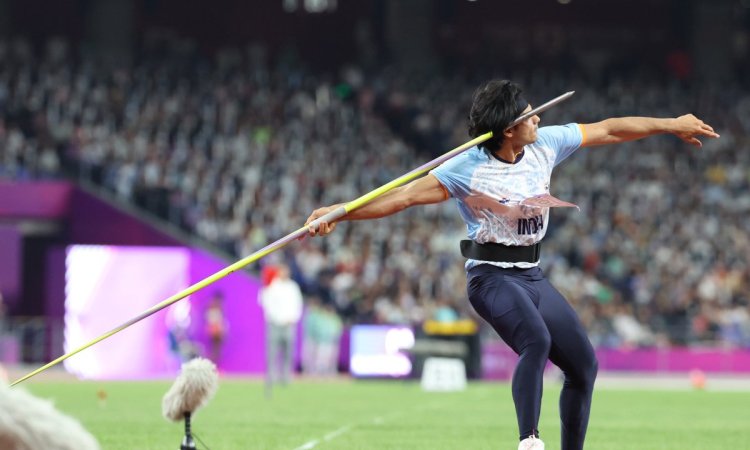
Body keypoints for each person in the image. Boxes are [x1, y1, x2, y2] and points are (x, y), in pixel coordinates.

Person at [305, 79, 719, 450]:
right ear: (507, 130)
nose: (537, 117)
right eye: (528, 115)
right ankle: (529, 441)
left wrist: (671, 123)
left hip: (532, 275)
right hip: (490, 277)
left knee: (583, 366)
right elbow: (404, 197)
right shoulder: (465, 169)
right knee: (535, 340)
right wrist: (340, 213)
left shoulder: (545, 143)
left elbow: (609, 128)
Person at [259, 264, 304, 395]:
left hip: (289, 324)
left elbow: (298, 304)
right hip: (275, 323)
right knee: (272, 353)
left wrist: (293, 318)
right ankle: (271, 378)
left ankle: (286, 378)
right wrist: (277, 318)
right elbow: (266, 303)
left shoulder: (293, 287)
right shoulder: (272, 286)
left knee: (288, 352)